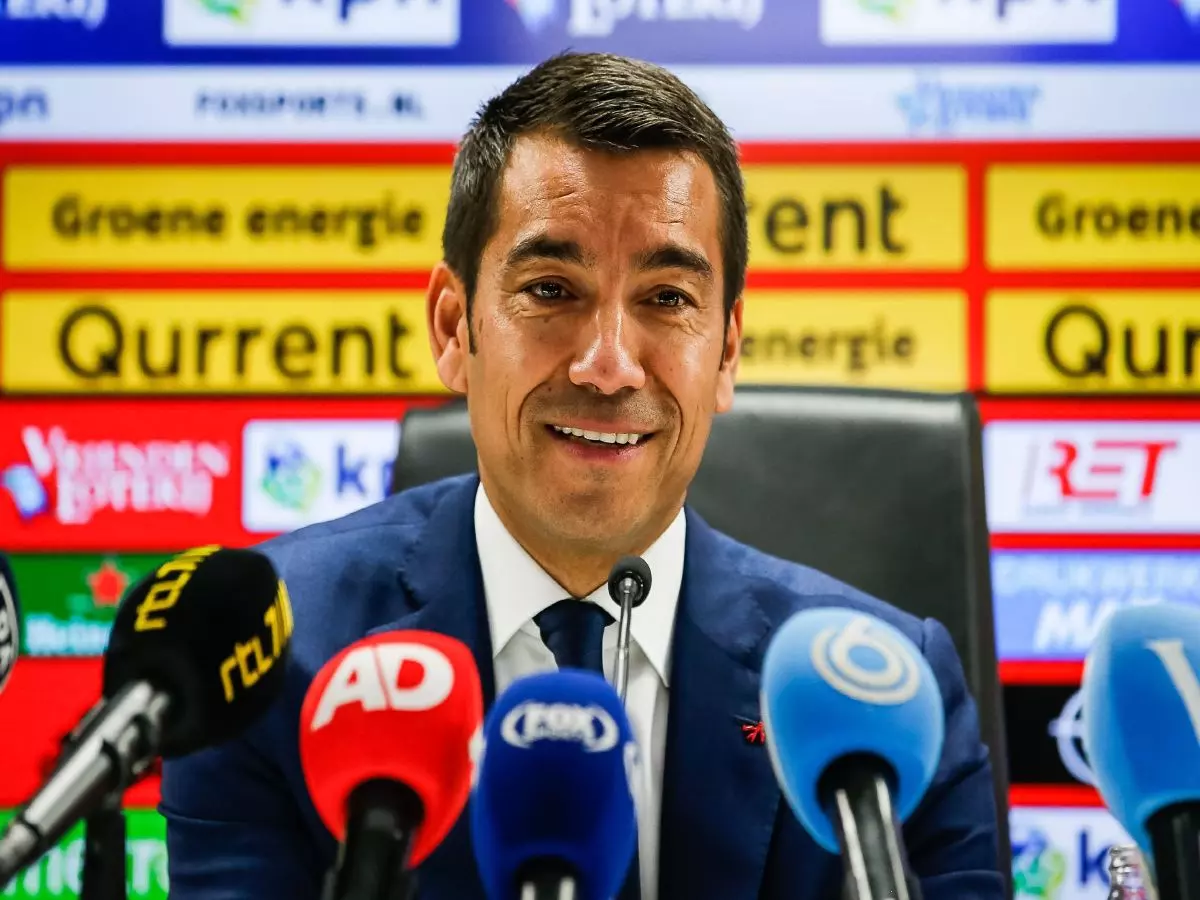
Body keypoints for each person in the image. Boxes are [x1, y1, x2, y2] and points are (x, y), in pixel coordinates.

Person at [160, 52, 1005, 900]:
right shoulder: (265, 657)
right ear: (456, 329)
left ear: (727, 350)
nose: (608, 366)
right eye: (552, 288)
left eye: (668, 298)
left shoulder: (892, 698)